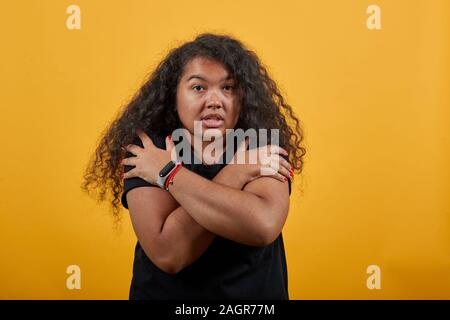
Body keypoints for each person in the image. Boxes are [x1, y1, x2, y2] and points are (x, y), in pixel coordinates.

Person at [81, 33, 306, 300]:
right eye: (199, 88)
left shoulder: (260, 141)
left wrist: (167, 174)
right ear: (173, 94)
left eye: (228, 88)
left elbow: (263, 225)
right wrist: (239, 172)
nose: (215, 101)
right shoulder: (148, 149)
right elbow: (168, 253)